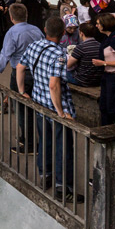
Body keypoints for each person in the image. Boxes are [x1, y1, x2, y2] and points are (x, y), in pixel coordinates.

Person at [17, 16, 76, 199]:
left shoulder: (34, 46)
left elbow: (20, 67)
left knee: (45, 141)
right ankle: (62, 188)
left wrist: (21, 92)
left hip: (38, 102)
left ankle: (45, 176)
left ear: (44, 29)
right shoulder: (59, 54)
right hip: (55, 107)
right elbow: (54, 85)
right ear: (63, 33)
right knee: (63, 148)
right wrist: (60, 112)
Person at [0, 3, 43, 153]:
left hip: (20, 75)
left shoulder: (12, 33)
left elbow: (4, 57)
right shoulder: (36, 30)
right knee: (33, 108)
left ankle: (30, 145)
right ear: (26, 15)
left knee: (22, 110)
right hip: (37, 73)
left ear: (11, 17)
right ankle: (28, 138)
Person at [91, 12, 115, 125]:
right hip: (108, 76)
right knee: (104, 106)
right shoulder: (109, 38)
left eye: (98, 24)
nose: (96, 26)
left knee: (111, 107)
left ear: (105, 25)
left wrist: (104, 63)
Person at [67, 22, 103, 87]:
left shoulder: (81, 47)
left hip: (83, 80)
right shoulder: (100, 45)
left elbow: (68, 65)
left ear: (81, 33)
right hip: (98, 80)